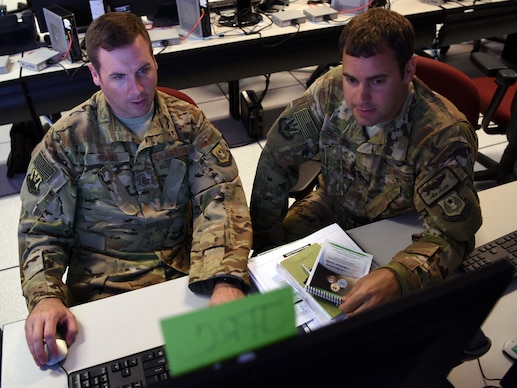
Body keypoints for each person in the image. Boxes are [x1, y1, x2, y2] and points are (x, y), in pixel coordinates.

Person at [18, 12, 252, 367]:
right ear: (95, 76)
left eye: (144, 70)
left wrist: (225, 279)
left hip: (191, 273)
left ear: (155, 61)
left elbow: (220, 197)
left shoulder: (188, 123)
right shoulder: (66, 141)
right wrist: (45, 297)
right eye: (119, 77)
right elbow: (40, 231)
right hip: (105, 288)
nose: (137, 89)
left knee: (245, 366)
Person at [250, 8, 482, 318]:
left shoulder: (442, 135)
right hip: (332, 205)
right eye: (351, 78)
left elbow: (453, 235)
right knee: (272, 277)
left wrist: (398, 277)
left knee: (382, 314)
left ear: (409, 70)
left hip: (404, 223)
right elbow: (276, 160)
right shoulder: (330, 90)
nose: (361, 97)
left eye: (377, 81)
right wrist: (265, 243)